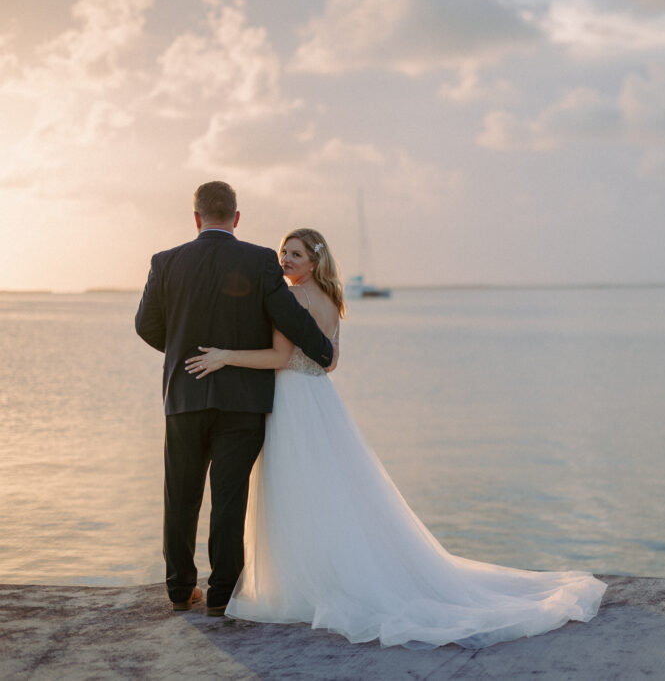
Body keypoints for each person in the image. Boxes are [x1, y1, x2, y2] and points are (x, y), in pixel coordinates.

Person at [185, 228, 607, 649]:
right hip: (319, 400)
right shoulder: (333, 302)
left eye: (295, 254)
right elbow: (330, 365)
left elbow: (279, 357)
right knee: (328, 491)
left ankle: (304, 582)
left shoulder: (292, 299)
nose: (286, 260)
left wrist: (225, 356)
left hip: (293, 402)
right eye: (283, 253)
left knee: (296, 492)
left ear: (314, 262)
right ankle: (328, 570)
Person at [135, 182, 334, 616]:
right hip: (242, 402)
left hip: (184, 396)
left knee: (181, 495)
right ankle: (221, 596)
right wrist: (324, 351)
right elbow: (288, 316)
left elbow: (145, 325)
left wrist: (185, 356)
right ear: (237, 218)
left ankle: (180, 589)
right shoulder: (260, 259)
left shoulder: (165, 262)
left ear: (196, 217)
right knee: (229, 498)